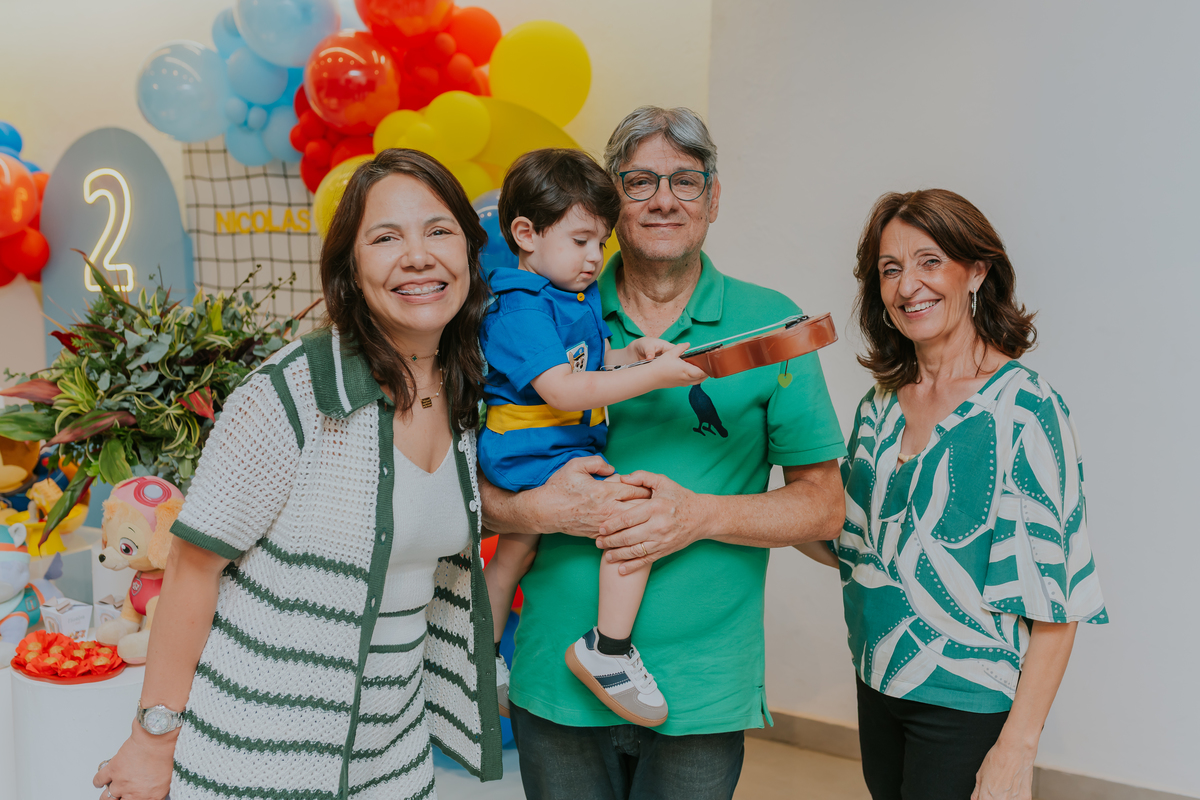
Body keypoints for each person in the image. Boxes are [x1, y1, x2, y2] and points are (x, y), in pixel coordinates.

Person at [92, 149, 503, 800]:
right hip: (257, 761)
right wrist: (152, 739)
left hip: (394, 760)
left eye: (439, 229)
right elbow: (192, 567)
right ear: (350, 269)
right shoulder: (290, 396)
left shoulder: (470, 393)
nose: (418, 255)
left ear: (471, 253)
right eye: (385, 237)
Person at [480, 106, 847, 800]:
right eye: (640, 180)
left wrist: (699, 516)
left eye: (685, 180)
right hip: (551, 689)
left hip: (702, 691)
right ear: (611, 199)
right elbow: (469, 483)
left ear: (713, 197)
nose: (664, 199)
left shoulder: (770, 325)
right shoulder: (547, 310)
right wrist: (537, 508)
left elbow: (824, 508)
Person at [797, 189, 1108, 800]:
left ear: (978, 271)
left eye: (930, 261)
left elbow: (1056, 600)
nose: (908, 284)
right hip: (877, 682)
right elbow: (851, 546)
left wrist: (1017, 748)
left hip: (969, 702)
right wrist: (736, 494)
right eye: (890, 269)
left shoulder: (1024, 410)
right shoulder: (879, 407)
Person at [480, 148, 708, 728]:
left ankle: (473, 653)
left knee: (514, 551)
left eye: (599, 243)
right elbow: (562, 388)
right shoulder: (518, 305)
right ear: (526, 233)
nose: (592, 257)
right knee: (634, 513)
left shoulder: (564, 297)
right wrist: (651, 377)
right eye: (580, 240)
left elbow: (589, 359)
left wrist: (632, 353)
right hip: (531, 448)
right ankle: (606, 650)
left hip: (551, 446)